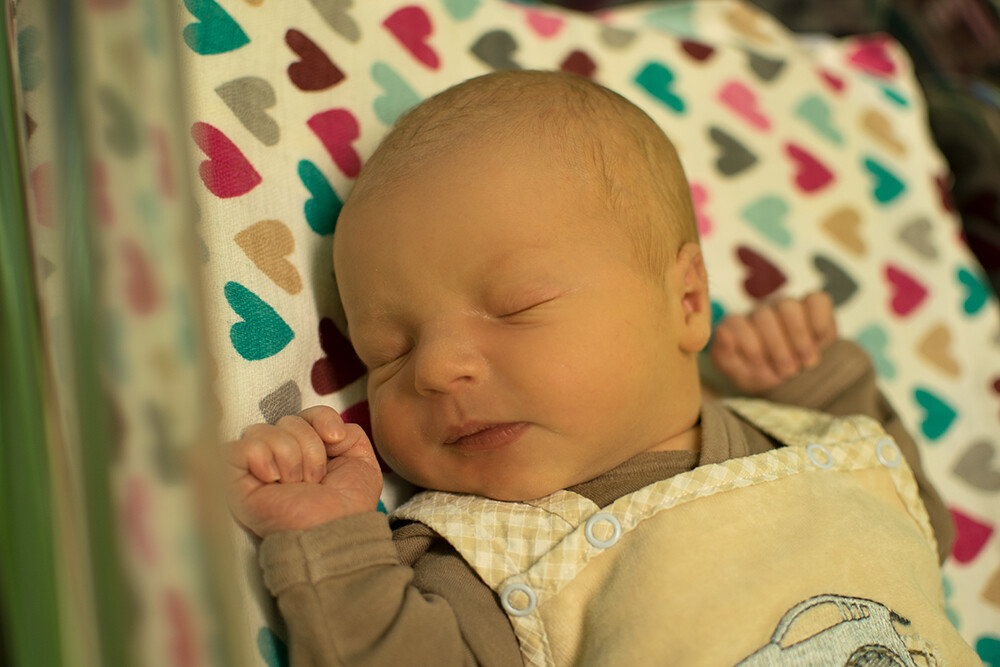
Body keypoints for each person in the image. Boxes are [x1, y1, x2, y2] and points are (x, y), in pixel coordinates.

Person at [228, 71, 976, 665]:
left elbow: (917, 527)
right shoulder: (480, 557)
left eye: (516, 306)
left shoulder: (803, 439)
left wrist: (821, 387)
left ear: (687, 301)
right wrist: (333, 545)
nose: (437, 368)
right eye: (387, 352)